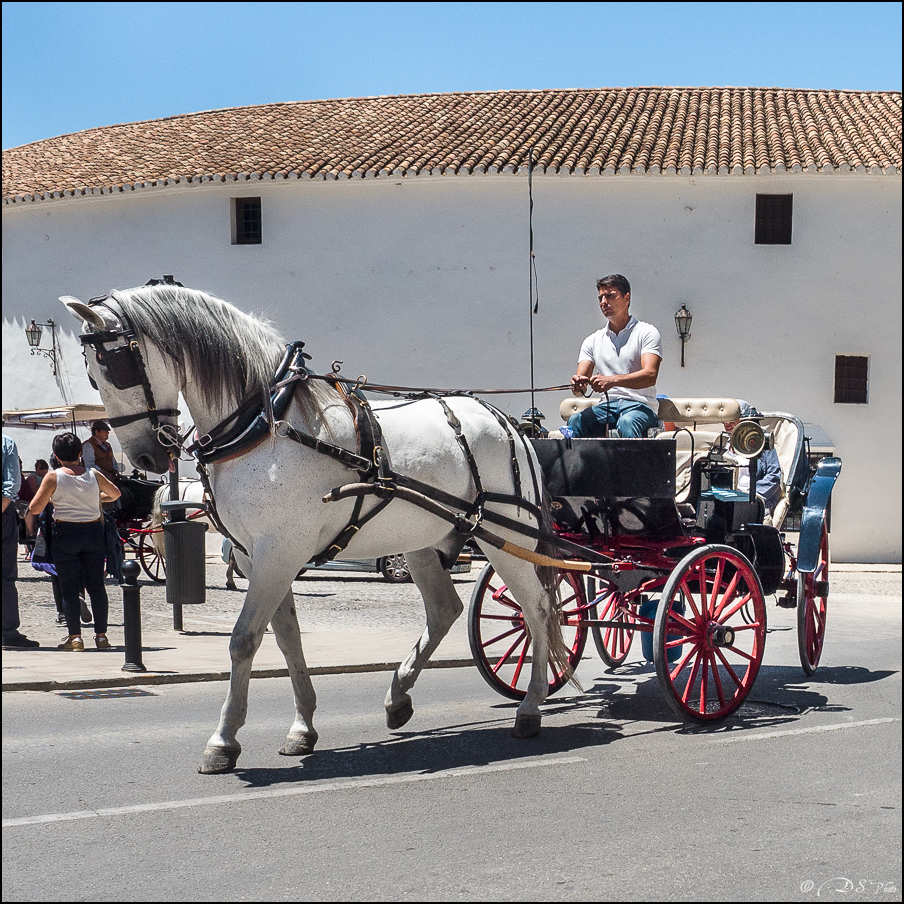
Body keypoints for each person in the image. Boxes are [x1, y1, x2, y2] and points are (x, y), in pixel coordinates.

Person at [29, 432, 121, 651]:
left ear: (56, 455)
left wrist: (54, 498)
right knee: (97, 586)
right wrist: (97, 498)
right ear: (80, 453)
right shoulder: (93, 474)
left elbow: (35, 508)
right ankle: (101, 636)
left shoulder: (53, 477)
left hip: (66, 533)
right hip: (92, 532)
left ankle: (75, 637)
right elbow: (115, 494)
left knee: (69, 587)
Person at [567, 274, 663, 438]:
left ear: (627, 298)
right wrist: (578, 385)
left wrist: (611, 381)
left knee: (627, 422)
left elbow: (650, 375)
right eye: (601, 298)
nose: (604, 302)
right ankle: (576, 463)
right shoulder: (593, 340)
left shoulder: (646, 332)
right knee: (576, 420)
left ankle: (631, 464)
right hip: (606, 406)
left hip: (640, 406)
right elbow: (580, 387)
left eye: (610, 296)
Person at [2, 434, 40, 648]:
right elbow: (12, 482)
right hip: (3, 510)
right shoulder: (6, 443)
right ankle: (7, 630)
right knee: (5, 572)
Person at [721, 401, 783, 521]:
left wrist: (753, 495)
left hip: (753, 501)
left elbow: (774, 475)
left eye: (732, 420)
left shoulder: (761, 442)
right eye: (725, 420)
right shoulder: (721, 443)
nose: (727, 424)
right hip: (726, 500)